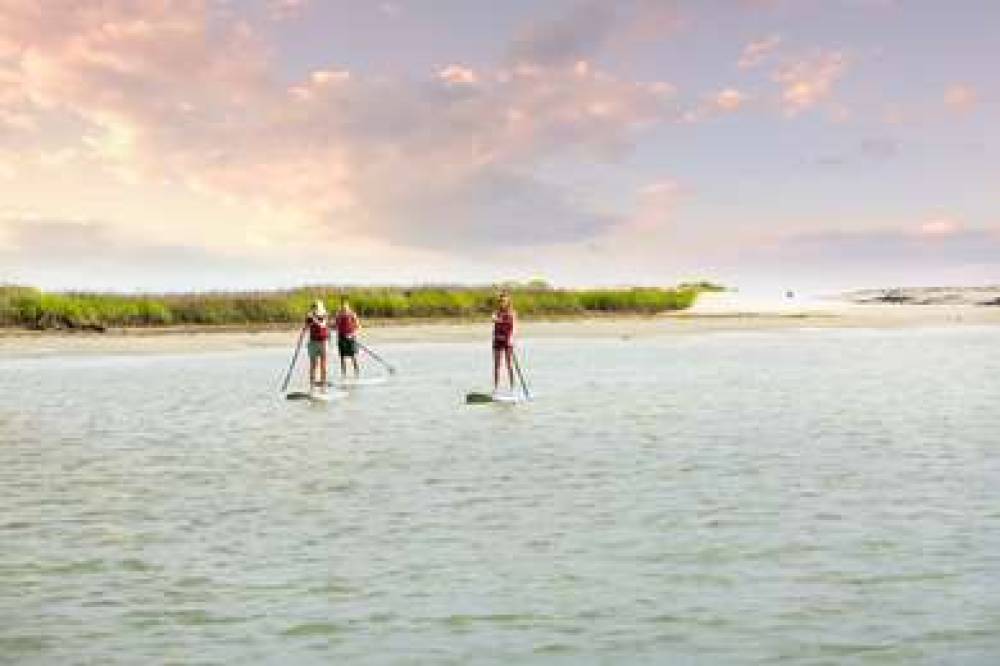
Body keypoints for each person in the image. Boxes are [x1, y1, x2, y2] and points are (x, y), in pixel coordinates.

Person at [492, 291, 516, 394]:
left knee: (509, 364)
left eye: (504, 301)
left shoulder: (512, 312)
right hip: (497, 340)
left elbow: (513, 326)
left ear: (508, 301)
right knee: (497, 365)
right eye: (501, 301)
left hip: (507, 340)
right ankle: (496, 389)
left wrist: (511, 339)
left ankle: (512, 388)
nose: (502, 303)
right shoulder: (496, 312)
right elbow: (493, 319)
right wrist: (497, 319)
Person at [305, 299, 330, 394]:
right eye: (314, 307)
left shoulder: (324, 315)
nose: (315, 308)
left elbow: (322, 325)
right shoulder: (310, 316)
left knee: (323, 365)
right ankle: (312, 386)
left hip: (323, 342)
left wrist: (314, 319)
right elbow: (307, 327)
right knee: (313, 365)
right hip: (313, 342)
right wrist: (308, 321)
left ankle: (323, 386)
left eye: (316, 307)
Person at [335, 298, 361, 378]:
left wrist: (352, 334)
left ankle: (357, 374)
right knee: (342, 358)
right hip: (341, 338)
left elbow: (358, 326)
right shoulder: (338, 314)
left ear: (348, 306)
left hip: (351, 338)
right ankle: (344, 375)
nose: (344, 307)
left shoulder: (352, 314)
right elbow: (336, 326)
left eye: (345, 306)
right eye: (342, 306)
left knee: (353, 356)